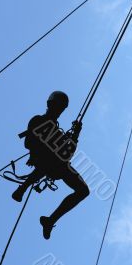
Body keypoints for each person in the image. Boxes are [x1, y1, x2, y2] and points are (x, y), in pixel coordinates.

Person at [12, 91, 90, 239]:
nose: (59, 111)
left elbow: (67, 153)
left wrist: (75, 134)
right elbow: (28, 143)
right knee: (53, 158)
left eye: (62, 108)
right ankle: (23, 187)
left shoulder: (56, 132)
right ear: (50, 104)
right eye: (58, 106)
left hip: (56, 165)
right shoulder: (38, 120)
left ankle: (50, 220)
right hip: (47, 162)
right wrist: (35, 153)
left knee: (83, 191)